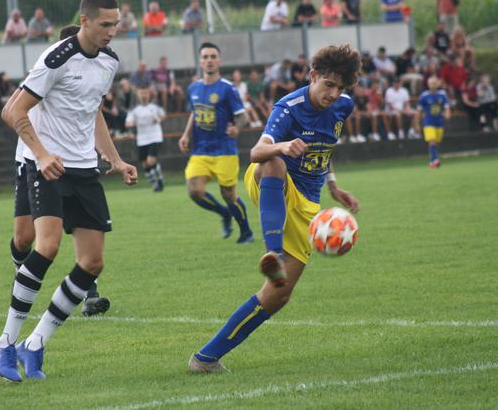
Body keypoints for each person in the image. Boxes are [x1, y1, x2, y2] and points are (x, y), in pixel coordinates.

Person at [0, 0, 137, 383]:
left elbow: (93, 112)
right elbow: (12, 110)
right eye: (106, 24)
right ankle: (5, 343)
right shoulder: (56, 57)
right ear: (85, 20)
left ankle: (35, 344)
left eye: (116, 24)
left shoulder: (109, 61)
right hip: (45, 164)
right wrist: (40, 154)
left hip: (83, 168)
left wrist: (115, 158)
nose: (112, 31)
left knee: (92, 263)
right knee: (45, 245)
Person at [188, 44, 361, 373]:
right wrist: (282, 146)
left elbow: (326, 148)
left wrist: (334, 186)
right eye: (328, 85)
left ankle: (205, 359)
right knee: (274, 162)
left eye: (340, 88)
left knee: (279, 294)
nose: (333, 93)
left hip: (307, 203)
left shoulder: (344, 106)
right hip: (270, 181)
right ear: (313, 76)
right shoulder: (289, 107)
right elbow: (257, 152)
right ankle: (273, 253)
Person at [178, 42, 254, 244]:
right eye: (205, 57)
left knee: (229, 194)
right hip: (201, 150)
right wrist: (186, 135)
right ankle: (224, 214)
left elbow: (242, 116)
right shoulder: (193, 88)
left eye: (213, 56)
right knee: (194, 190)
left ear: (219, 61)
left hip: (225, 150)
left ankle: (246, 232)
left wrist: (236, 128)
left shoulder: (228, 89)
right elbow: (194, 113)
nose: (209, 60)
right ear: (200, 61)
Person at [126, 87, 166, 191]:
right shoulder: (135, 110)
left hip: (155, 137)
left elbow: (163, 115)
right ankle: (155, 183)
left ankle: (160, 180)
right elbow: (127, 123)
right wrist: (133, 123)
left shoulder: (154, 107)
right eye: (141, 93)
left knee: (151, 161)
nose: (144, 95)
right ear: (138, 95)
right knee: (145, 165)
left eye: (145, 93)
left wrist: (158, 119)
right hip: (142, 139)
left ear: (149, 94)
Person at [416, 76, 450, 168]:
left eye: (434, 83)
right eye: (431, 83)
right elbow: (419, 110)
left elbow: (447, 106)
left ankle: (432, 162)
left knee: (436, 143)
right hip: (428, 122)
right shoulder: (424, 96)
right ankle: (435, 160)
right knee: (432, 141)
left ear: (438, 84)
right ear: (428, 84)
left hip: (439, 122)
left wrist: (447, 113)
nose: (433, 85)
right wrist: (417, 124)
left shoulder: (442, 94)